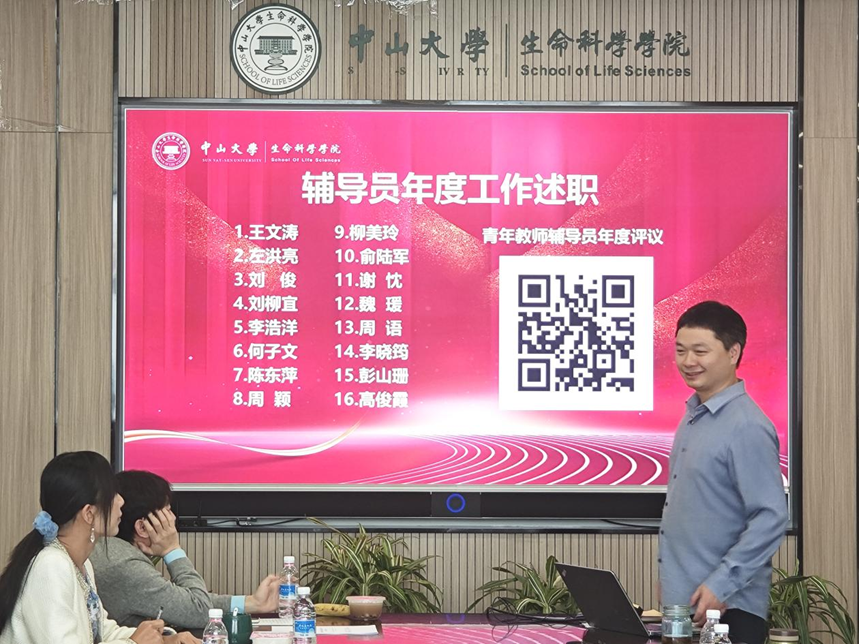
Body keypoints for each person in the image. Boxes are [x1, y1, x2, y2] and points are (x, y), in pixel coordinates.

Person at [659, 301, 789, 644]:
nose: (688, 361)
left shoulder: (746, 425)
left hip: (729, 611)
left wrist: (721, 584)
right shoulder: (693, 416)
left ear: (733, 352)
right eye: (681, 351)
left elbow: (771, 516)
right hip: (686, 609)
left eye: (700, 351)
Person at [0, 451, 198, 644]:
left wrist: (162, 639)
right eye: (113, 494)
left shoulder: (81, 563)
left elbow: (102, 631)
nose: (121, 501)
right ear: (89, 514)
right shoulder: (51, 565)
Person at [90, 470, 279, 630]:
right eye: (168, 511)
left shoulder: (113, 551)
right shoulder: (123, 564)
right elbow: (200, 610)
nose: (173, 518)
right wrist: (172, 550)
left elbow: (181, 601)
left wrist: (253, 602)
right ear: (142, 527)